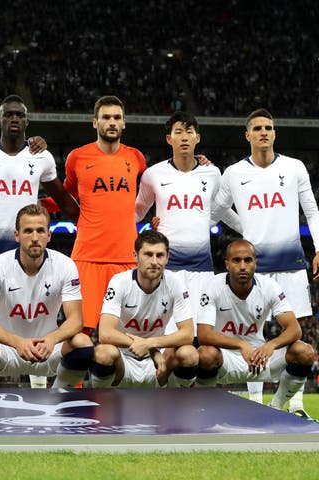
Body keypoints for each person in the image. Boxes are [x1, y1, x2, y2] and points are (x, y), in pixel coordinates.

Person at [213, 108, 319, 418]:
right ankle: (256, 405)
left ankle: (295, 405)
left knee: (296, 333)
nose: (264, 132)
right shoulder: (234, 173)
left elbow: (312, 212)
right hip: (254, 267)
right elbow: (217, 210)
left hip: (291, 264)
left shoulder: (293, 168)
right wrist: (245, 228)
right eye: (258, 128)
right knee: (253, 334)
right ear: (247, 135)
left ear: (274, 133)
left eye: (269, 127)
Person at [0, 94, 79, 314]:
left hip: (30, 253)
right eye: (8, 114)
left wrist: (88, 223)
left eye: (19, 115)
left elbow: (63, 199)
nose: (14, 118)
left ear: (26, 121)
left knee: (29, 317)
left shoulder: (42, 157)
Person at [135, 111, 241, 339]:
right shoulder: (153, 174)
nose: (184, 137)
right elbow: (136, 212)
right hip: (166, 268)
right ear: (169, 139)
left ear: (197, 138)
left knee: (200, 336)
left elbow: (222, 210)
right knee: (166, 336)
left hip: (201, 268)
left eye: (189, 132)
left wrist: (250, 231)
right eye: (178, 132)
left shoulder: (212, 173)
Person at [0, 204, 93, 388]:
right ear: (17, 235)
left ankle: (61, 396)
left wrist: (51, 339)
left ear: (49, 235)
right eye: (28, 231)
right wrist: (18, 343)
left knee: (83, 343)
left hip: (47, 349)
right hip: (8, 350)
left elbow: (76, 320)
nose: (35, 238)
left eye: (40, 231)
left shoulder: (65, 265)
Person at [195, 240, 315, 412]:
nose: (243, 266)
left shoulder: (269, 287)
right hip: (225, 359)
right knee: (205, 354)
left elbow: (294, 329)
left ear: (255, 263)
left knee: (304, 352)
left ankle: (277, 407)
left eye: (248, 260)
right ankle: (206, 410)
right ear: (227, 264)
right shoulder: (213, 286)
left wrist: (270, 345)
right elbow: (204, 335)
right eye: (236, 260)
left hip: (259, 358)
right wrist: (240, 344)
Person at [62, 95, 147, 335]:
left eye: (116, 118)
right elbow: (64, 195)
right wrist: (34, 202)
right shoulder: (77, 157)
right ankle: (71, 375)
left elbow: (156, 188)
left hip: (127, 257)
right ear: (95, 122)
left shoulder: (136, 158)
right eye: (106, 117)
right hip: (88, 256)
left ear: (124, 123)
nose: (111, 122)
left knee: (128, 331)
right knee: (80, 331)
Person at [90, 230, 198, 387]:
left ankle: (176, 402)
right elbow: (105, 334)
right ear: (135, 256)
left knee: (190, 354)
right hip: (124, 359)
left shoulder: (176, 283)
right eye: (148, 254)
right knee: (104, 353)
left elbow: (188, 334)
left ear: (167, 258)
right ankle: (101, 402)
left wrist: (150, 345)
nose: (154, 261)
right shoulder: (120, 282)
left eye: (160, 255)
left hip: (159, 363)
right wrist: (148, 347)